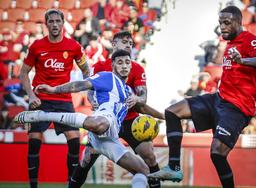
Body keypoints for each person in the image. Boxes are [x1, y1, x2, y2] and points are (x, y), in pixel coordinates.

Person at [148, 5, 256, 188]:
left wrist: (242, 60)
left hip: (237, 108)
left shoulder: (248, 39)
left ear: (238, 22)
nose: (223, 27)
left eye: (227, 22)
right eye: (221, 23)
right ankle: (173, 167)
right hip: (219, 99)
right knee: (172, 112)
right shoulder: (229, 44)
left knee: (217, 154)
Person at [14, 50, 149, 188]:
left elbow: (144, 108)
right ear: (112, 64)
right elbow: (79, 85)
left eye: (127, 62)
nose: (124, 66)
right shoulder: (107, 77)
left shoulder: (128, 91)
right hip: (103, 120)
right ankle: (42, 115)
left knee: (143, 170)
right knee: (100, 124)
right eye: (120, 62)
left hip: (110, 138)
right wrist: (53, 90)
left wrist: (164, 115)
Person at [71, 30, 162, 188]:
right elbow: (90, 92)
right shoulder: (99, 66)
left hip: (130, 120)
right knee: (86, 159)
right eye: (125, 42)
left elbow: (143, 97)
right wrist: (94, 101)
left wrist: (137, 98)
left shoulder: (137, 68)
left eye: (131, 43)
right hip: (107, 119)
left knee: (150, 157)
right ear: (114, 44)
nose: (128, 45)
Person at [19, 9, 90, 188]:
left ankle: (71, 184)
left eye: (58, 21)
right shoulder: (36, 46)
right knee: (34, 141)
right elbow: (23, 73)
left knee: (74, 141)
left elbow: (86, 71)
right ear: (47, 24)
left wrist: (85, 91)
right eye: (51, 21)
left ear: (63, 23)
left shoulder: (73, 46)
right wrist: (31, 95)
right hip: (40, 100)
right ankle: (33, 186)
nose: (55, 24)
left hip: (64, 101)